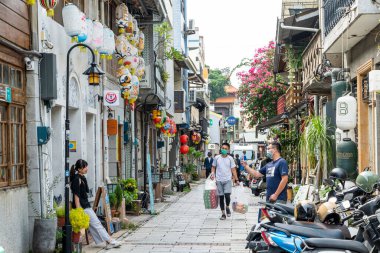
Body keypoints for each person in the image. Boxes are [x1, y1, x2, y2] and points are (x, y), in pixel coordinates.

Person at [70, 159, 121, 249]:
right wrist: (79, 211)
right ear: (79, 169)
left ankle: (108, 242)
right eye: (84, 167)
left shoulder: (82, 178)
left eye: (86, 166)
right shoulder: (77, 179)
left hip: (85, 205)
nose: (86, 168)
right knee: (96, 224)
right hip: (82, 207)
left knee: (94, 225)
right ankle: (110, 241)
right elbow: (76, 196)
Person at [210, 143, 239, 220]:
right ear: (220, 149)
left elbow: (233, 169)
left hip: (228, 180)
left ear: (228, 150)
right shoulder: (217, 158)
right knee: (221, 197)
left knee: (227, 195)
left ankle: (227, 207)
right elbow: (213, 167)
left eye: (226, 148)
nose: (224, 150)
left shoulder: (230, 158)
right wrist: (212, 174)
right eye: (223, 148)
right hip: (219, 180)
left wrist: (236, 179)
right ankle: (223, 213)